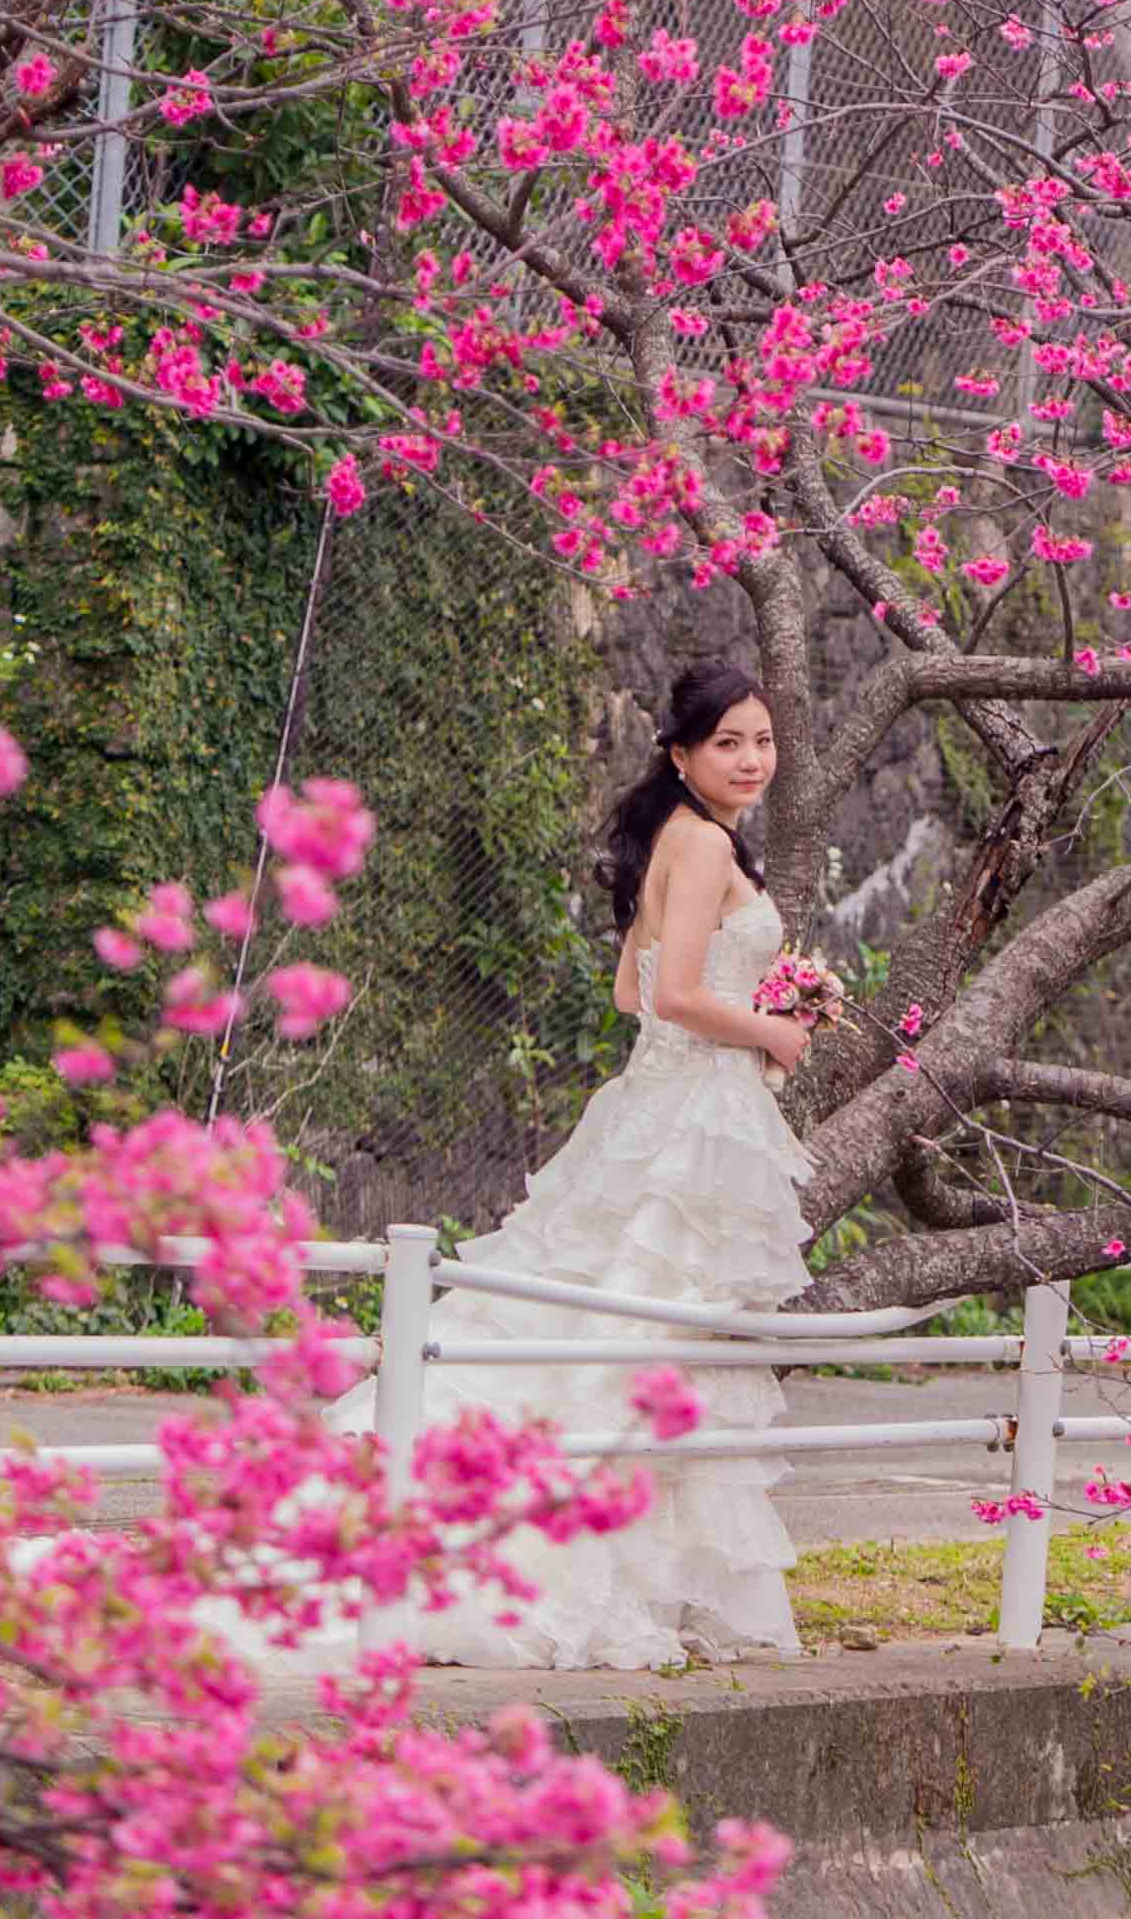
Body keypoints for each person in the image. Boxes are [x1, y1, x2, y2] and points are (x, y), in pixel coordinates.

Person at [348, 659, 821, 1668]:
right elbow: (677, 995)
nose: (749, 759)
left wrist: (746, 1016)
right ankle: (554, 1562)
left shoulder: (681, 839)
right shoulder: (698, 847)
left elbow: (627, 990)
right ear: (680, 754)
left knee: (630, 1333)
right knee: (635, 1340)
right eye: (727, 742)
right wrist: (772, 1033)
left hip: (662, 1103)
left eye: (761, 740)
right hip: (690, 1116)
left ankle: (614, 1566)